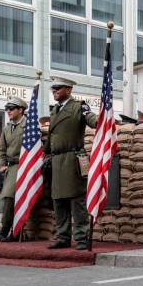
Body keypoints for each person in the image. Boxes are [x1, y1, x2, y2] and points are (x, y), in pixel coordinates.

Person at [44, 77, 97, 251]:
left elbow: (92, 120)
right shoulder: (55, 111)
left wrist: (104, 119)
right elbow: (53, 135)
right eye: (53, 89)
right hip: (57, 160)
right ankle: (63, 237)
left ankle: (81, 237)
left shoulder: (78, 107)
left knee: (77, 201)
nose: (54, 91)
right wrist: (46, 152)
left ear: (69, 89)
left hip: (73, 159)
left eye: (58, 88)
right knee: (58, 201)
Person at [0, 96, 28, 242]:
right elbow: (1, 150)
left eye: (11, 108)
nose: (8, 111)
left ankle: (8, 229)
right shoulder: (7, 128)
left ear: (21, 110)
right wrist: (2, 165)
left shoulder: (28, 125)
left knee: (10, 198)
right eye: (7, 108)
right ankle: (8, 229)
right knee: (9, 198)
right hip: (12, 167)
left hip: (25, 165)